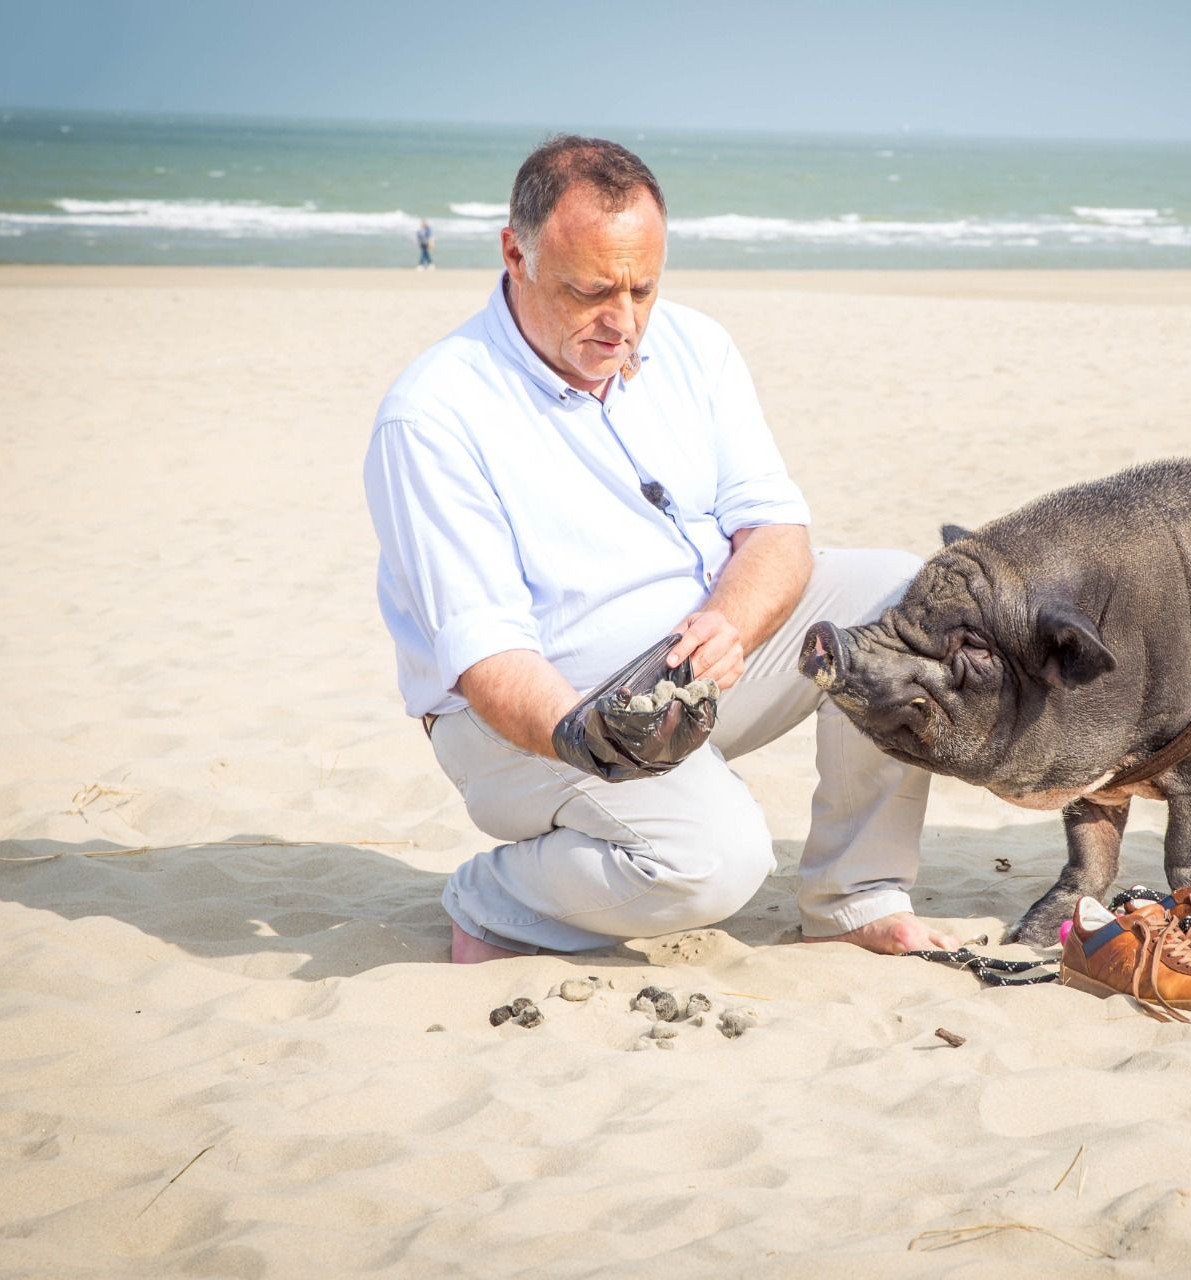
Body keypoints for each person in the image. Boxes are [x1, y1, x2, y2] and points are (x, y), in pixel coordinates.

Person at [364, 136, 958, 962]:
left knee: (901, 598)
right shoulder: (434, 415)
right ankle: (490, 896)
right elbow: (488, 659)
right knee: (716, 865)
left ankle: (854, 894)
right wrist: (585, 735)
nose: (625, 323)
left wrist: (730, 619)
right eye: (591, 291)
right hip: (530, 719)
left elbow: (778, 531)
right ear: (515, 252)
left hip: (693, 669)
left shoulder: (695, 345)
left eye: (644, 287)